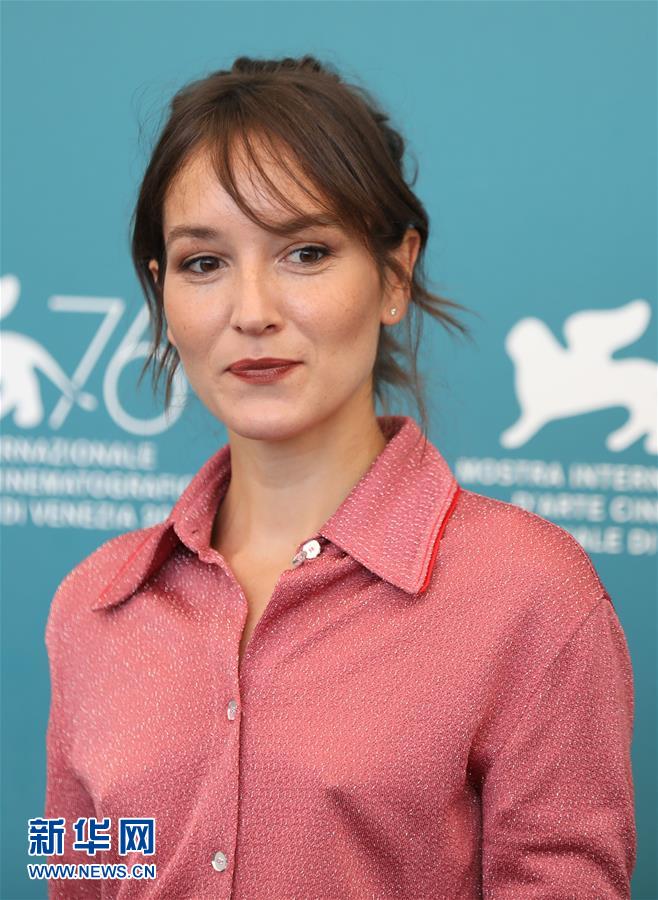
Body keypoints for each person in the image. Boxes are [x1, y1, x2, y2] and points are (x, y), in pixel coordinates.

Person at [44, 55, 636, 898]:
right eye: (204, 263)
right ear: (160, 292)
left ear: (395, 274)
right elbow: (75, 878)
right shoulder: (90, 608)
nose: (252, 311)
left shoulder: (530, 596)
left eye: (306, 252)